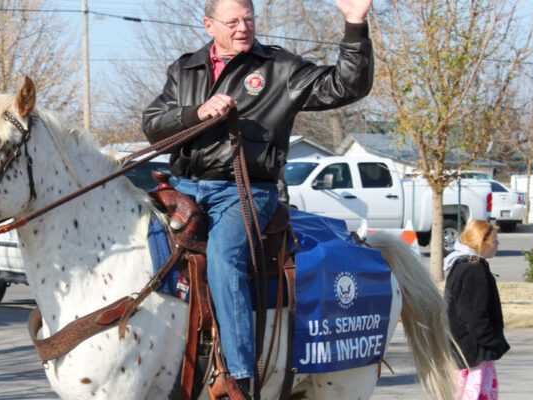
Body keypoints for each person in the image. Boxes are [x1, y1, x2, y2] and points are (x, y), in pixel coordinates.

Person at [142, 0, 374, 396]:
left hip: (246, 189)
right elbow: (153, 126)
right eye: (231, 21)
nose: (242, 27)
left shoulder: (279, 69)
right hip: (186, 188)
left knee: (223, 256)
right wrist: (196, 112)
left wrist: (354, 26)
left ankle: (239, 377)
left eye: (248, 19)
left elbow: (346, 85)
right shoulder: (184, 69)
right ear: (209, 25)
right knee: (142, 247)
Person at [443, 220, 510, 400]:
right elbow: (474, 316)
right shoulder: (474, 270)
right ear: (482, 242)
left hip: (463, 351)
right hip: (473, 355)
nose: (497, 244)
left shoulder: (461, 264)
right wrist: (493, 342)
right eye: (494, 240)